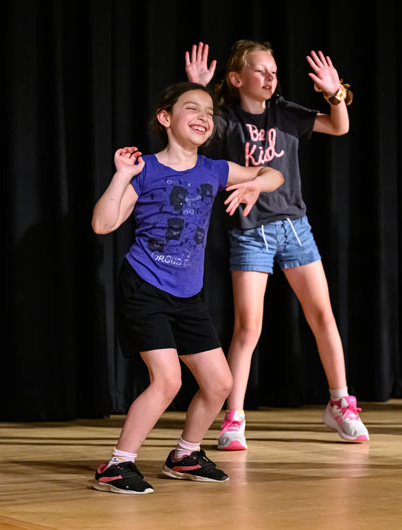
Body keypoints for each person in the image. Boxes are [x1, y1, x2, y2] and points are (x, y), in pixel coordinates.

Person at [90, 82, 283, 494]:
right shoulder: (146, 170)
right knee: (168, 380)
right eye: (191, 108)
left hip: (187, 293)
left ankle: (185, 455)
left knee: (219, 383)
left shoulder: (213, 170)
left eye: (209, 112)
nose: (203, 117)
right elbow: (103, 224)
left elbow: (274, 173)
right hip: (145, 286)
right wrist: (122, 176)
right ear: (165, 118)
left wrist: (254, 185)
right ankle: (117, 464)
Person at [184, 40, 367, 450]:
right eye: (260, 71)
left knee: (323, 315)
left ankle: (340, 404)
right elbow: (192, 138)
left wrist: (335, 93)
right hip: (251, 232)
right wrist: (196, 89)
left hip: (296, 228)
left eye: (273, 71)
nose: (270, 77)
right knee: (248, 327)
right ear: (236, 79)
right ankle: (234, 417)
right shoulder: (227, 120)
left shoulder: (284, 113)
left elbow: (340, 126)